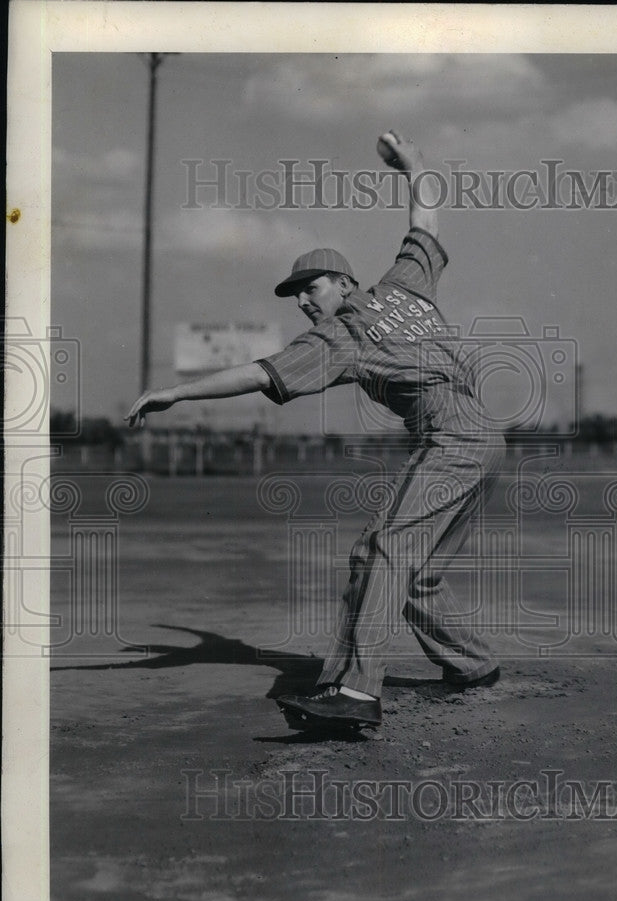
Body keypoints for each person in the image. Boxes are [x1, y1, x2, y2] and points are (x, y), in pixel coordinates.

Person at [126, 131, 506, 731]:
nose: (303, 299)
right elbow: (427, 217)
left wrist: (177, 391)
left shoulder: (342, 335)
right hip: (484, 436)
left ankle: (355, 695)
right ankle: (473, 666)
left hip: (453, 439)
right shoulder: (407, 284)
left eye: (312, 286)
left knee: (380, 552)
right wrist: (414, 165)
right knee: (416, 572)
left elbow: (258, 373)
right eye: (296, 293)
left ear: (345, 284)